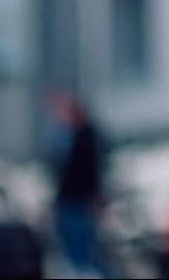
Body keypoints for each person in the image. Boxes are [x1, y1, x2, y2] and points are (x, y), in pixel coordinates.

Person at [48, 90, 112, 279]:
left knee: (82, 251)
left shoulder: (85, 136)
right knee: (77, 251)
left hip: (79, 201)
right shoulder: (72, 136)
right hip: (73, 200)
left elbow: (90, 171)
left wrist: (95, 197)